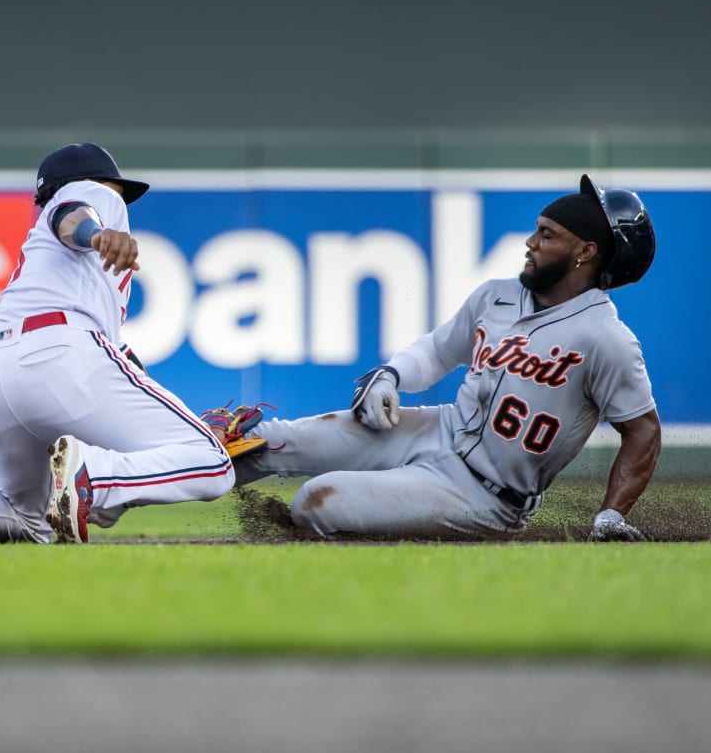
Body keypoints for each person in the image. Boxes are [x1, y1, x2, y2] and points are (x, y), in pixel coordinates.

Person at [208, 175, 661, 541]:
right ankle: (142, 481)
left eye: (548, 234)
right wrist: (391, 375)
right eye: (536, 229)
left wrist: (612, 515)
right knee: (263, 441)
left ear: (586, 252)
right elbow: (440, 350)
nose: (531, 241)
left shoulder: (607, 338)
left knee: (315, 502)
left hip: (487, 495)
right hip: (438, 430)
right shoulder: (497, 296)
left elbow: (642, 430)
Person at [0, 143, 235, 543]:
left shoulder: (54, 271)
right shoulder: (89, 194)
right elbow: (69, 215)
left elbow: (120, 366)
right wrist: (98, 232)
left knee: (28, 518)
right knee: (212, 463)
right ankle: (92, 478)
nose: (120, 198)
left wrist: (183, 430)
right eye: (116, 189)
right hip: (58, 356)